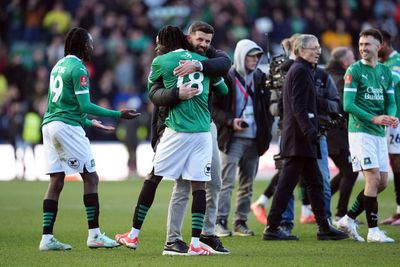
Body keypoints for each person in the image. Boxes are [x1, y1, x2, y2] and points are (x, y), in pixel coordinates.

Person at [115, 25, 228, 256]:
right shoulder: (202, 61)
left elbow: (152, 92)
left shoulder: (161, 61)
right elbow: (224, 88)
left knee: (153, 179)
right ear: (187, 38)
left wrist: (176, 91)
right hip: (202, 133)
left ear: (164, 42)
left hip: (177, 130)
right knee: (199, 186)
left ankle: (133, 235)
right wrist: (207, 75)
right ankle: (195, 244)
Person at [39, 27, 140, 251]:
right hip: (67, 127)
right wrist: (117, 114)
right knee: (91, 177)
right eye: (90, 43)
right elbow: (84, 105)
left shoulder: (58, 66)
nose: (92, 47)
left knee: (56, 180)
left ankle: (46, 238)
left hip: (50, 124)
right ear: (83, 45)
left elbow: (62, 104)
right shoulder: (78, 68)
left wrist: (87, 122)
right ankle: (94, 235)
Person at [148, 21, 231, 255]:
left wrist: (199, 65)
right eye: (200, 40)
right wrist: (176, 96)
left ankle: (206, 234)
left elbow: (225, 62)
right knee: (182, 186)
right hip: (177, 127)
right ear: (188, 37)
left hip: (206, 127)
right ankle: (173, 239)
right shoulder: (171, 59)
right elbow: (155, 95)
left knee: (214, 182)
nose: (204, 45)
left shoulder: (206, 57)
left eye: (208, 41)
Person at [262, 34, 347, 241]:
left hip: (300, 135)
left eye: (318, 47)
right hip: (300, 137)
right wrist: (309, 131)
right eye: (313, 48)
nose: (318, 50)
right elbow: (299, 106)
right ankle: (273, 227)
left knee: (314, 183)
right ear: (300, 50)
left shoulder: (301, 69)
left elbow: (293, 105)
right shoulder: (300, 71)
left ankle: (323, 227)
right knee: (288, 183)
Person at [337, 28, 398, 243]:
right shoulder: (353, 71)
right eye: (361, 44)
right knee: (372, 178)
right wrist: (374, 118)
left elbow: (391, 102)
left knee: (381, 182)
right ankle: (374, 232)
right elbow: (348, 104)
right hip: (360, 132)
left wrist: (390, 117)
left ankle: (348, 218)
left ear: (378, 47)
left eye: (367, 44)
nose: (363, 48)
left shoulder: (385, 72)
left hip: (379, 133)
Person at [212, 39, 274, 237]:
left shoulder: (260, 77)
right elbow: (213, 108)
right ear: (240, 55)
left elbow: (267, 108)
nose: (255, 60)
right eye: (251, 55)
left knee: (247, 184)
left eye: (257, 56)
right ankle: (220, 221)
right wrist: (231, 121)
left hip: (254, 138)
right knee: (226, 183)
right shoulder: (226, 77)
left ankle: (240, 221)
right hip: (232, 138)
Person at [325, 47, 359, 224]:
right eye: (353, 58)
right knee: (350, 171)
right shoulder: (340, 79)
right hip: (336, 135)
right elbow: (340, 107)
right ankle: (341, 214)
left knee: (347, 171)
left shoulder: (329, 75)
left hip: (332, 134)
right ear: (345, 62)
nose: (354, 61)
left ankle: (322, 202)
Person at [377, 29, 400, 226]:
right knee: (395, 164)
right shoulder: (386, 64)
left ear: (382, 44)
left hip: (397, 121)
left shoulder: (396, 63)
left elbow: (391, 80)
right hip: (391, 122)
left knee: (398, 163)